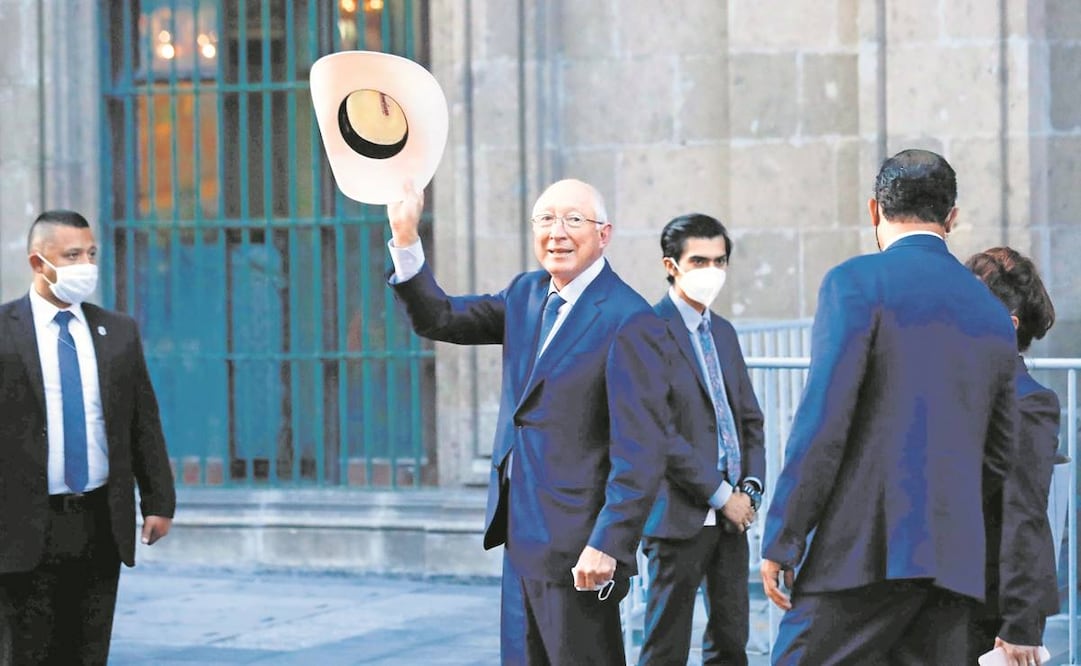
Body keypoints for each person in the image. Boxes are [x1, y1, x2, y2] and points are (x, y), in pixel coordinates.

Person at [759, 149, 1044, 665]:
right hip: (952, 561)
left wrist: (784, 536)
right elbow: (1000, 453)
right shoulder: (990, 311)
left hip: (858, 553)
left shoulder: (855, 283)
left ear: (874, 211)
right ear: (952, 218)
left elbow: (823, 423)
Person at [385, 179, 669, 664]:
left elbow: (640, 453)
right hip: (520, 537)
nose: (557, 232)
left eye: (574, 220)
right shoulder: (526, 293)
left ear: (604, 235)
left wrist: (608, 544)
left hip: (580, 549)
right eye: (545, 220)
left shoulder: (628, 319)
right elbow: (440, 318)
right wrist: (406, 237)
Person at [0, 210, 176, 665]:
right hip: (21, 523)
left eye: (91, 253)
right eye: (72, 255)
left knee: (88, 649)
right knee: (25, 651)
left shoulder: (117, 331)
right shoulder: (5, 331)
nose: (86, 265)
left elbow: (143, 420)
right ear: (39, 263)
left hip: (98, 520)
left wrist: (157, 501)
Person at [638, 213, 765, 665]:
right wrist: (719, 493)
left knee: (732, 641)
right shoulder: (647, 330)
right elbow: (659, 431)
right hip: (678, 514)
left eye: (720, 260)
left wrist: (748, 490)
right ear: (671, 265)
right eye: (699, 260)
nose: (712, 271)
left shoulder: (724, 333)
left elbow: (750, 420)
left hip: (733, 520)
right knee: (665, 646)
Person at [965, 247, 1060, 663]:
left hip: (994, 610)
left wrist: (1020, 621)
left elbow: (1025, 511)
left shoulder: (1030, 402)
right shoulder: (955, 389)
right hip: (944, 599)